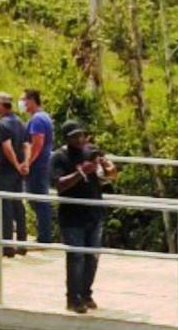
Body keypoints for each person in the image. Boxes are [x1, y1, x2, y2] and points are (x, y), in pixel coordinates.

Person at [48, 121, 116, 314]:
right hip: (72, 216)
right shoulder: (59, 157)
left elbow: (111, 175)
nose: (80, 139)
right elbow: (58, 185)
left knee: (92, 257)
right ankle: (73, 298)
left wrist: (108, 168)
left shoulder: (93, 151)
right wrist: (80, 173)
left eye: (82, 135)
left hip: (94, 213)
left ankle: (86, 293)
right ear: (67, 138)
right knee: (76, 257)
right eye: (75, 136)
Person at [0, 93, 31, 254]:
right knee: (18, 205)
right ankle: (22, 243)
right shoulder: (21, 122)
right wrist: (25, 164)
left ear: (0, 105)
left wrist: (16, 164)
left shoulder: (3, 125)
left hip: (6, 170)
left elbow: (7, 147)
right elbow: (26, 145)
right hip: (18, 172)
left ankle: (7, 246)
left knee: (5, 207)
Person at [22, 90, 56, 249]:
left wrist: (28, 162)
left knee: (39, 200)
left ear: (32, 100)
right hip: (43, 164)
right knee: (38, 200)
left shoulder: (37, 119)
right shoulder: (43, 117)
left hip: (38, 165)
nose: (22, 103)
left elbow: (37, 143)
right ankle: (44, 235)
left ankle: (44, 237)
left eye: (24, 100)